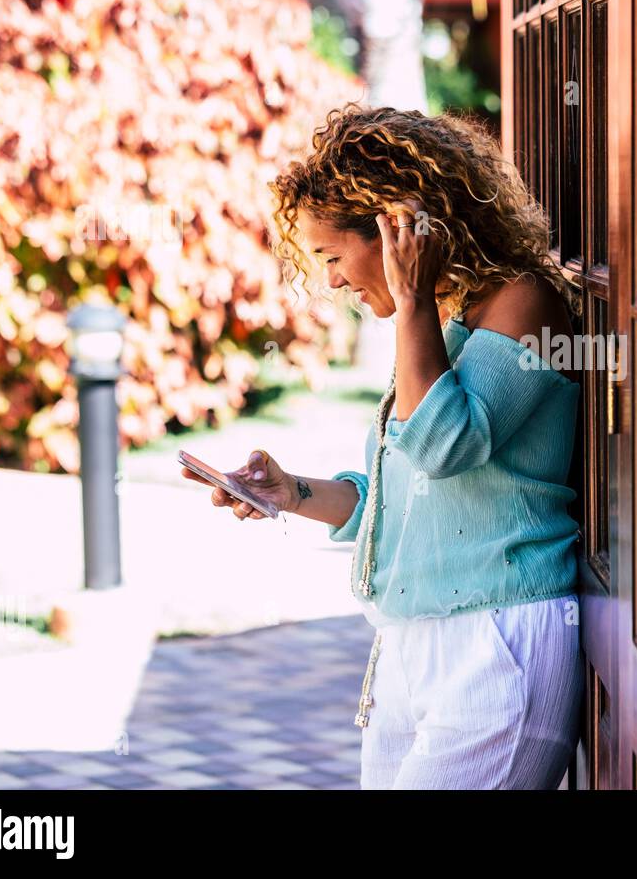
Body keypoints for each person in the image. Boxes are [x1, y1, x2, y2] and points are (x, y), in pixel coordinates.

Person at [181, 104, 584, 789]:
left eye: (335, 256)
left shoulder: (522, 302)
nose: (332, 279)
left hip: (496, 642)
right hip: (410, 646)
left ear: (397, 229)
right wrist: (292, 492)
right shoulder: (443, 321)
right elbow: (409, 505)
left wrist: (413, 296)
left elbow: (445, 447)